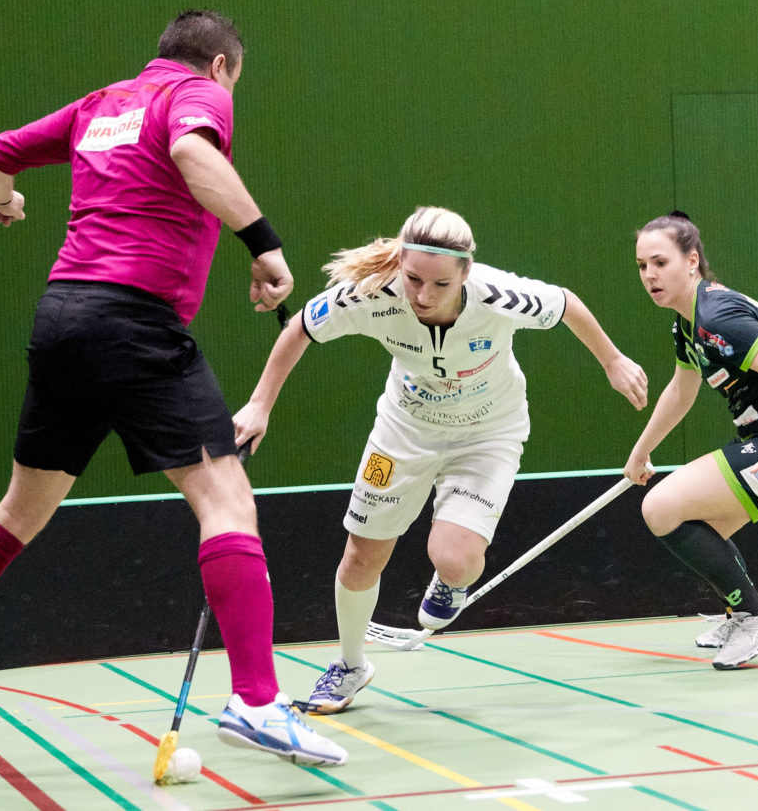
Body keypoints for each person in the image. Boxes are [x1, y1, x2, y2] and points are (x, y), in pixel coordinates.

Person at [0, 10, 347, 768]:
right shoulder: (195, 97)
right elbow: (192, 152)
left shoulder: (103, 105)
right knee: (226, 500)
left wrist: (3, 201)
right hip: (135, 322)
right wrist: (265, 245)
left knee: (21, 508)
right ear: (220, 66)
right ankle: (258, 702)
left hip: (63, 317)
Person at [232, 206, 648, 713]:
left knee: (454, 557)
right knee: (362, 553)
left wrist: (613, 360)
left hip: (488, 434)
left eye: (439, 285)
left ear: (466, 272)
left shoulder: (498, 296)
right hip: (403, 434)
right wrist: (259, 405)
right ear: (400, 263)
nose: (423, 297)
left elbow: (566, 305)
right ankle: (349, 666)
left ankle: (452, 581)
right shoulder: (372, 293)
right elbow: (300, 327)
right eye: (413, 279)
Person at [623, 211, 758, 670]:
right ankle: (742, 611)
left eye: (660, 262)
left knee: (660, 507)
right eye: (643, 265)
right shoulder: (686, 324)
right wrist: (641, 450)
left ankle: (755, 616)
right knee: (704, 531)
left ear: (692, 261)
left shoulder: (716, 315)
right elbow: (681, 390)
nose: (650, 275)